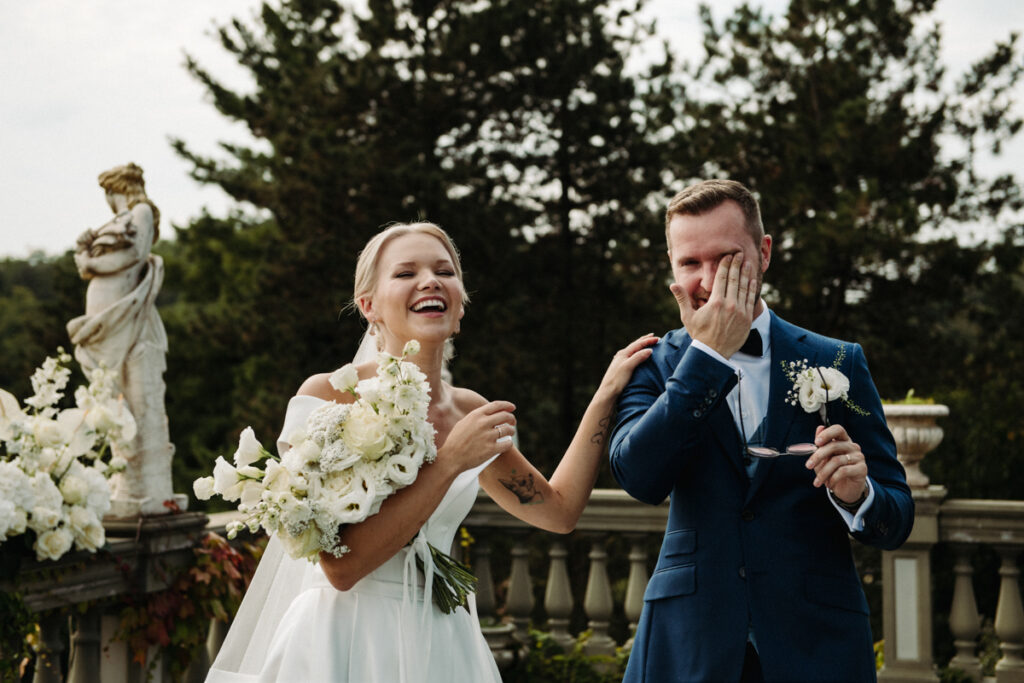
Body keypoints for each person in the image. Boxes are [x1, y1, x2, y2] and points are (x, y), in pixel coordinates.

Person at [207, 221, 656, 682]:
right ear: (369, 306)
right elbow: (343, 569)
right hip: (347, 638)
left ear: (459, 305)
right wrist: (450, 462)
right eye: (405, 273)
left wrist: (604, 396)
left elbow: (557, 513)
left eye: (444, 270)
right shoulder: (329, 397)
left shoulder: (470, 411)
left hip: (442, 640)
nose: (430, 280)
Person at [609, 180, 914, 682]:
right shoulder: (652, 364)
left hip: (818, 645)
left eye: (728, 260)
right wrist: (706, 356)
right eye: (690, 264)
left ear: (764, 252)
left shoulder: (838, 360)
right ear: (670, 266)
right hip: (690, 644)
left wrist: (859, 495)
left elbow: (897, 519)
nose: (709, 281)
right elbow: (640, 477)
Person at [67, 163, 181, 517]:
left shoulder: (141, 211)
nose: (108, 199)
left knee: (138, 402)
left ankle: (149, 485)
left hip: (128, 322)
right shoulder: (114, 222)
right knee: (112, 401)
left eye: (110, 191)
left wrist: (91, 262)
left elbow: (134, 254)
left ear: (118, 189)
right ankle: (127, 480)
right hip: (107, 325)